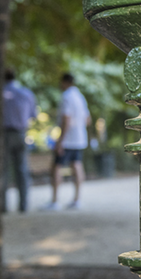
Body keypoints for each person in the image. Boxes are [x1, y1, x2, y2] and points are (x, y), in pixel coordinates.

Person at [45, 73, 90, 210]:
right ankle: (77, 199)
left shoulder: (66, 97)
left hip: (68, 139)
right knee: (76, 165)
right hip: (80, 138)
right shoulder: (80, 97)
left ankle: (54, 201)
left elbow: (66, 119)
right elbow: (88, 120)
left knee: (56, 167)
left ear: (64, 82)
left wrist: (60, 141)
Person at [2, 69, 37, 212]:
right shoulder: (26, 93)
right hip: (21, 133)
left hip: (3, 135)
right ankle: (23, 206)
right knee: (22, 170)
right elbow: (33, 115)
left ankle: (2, 206)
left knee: (3, 171)